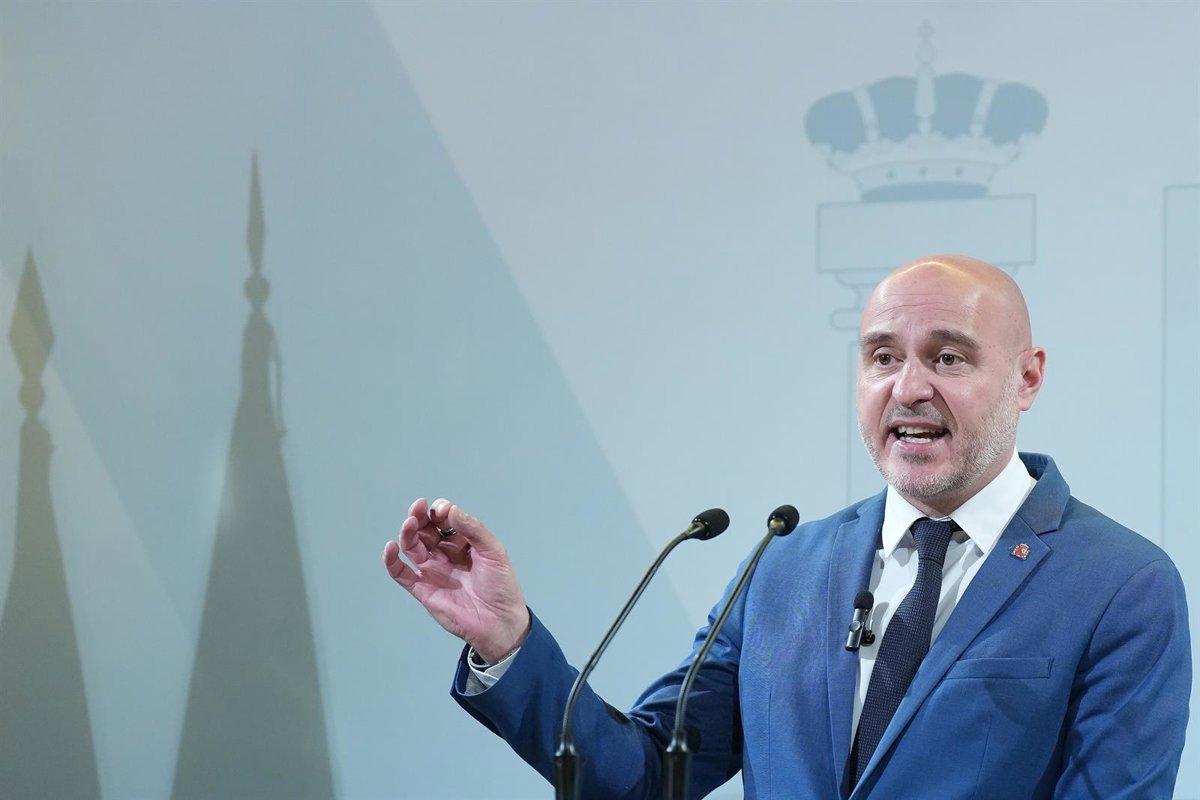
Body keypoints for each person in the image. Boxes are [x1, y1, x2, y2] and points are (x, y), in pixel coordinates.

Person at [383, 255, 1190, 798]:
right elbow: (641, 777)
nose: (908, 388)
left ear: (1027, 378)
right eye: (882, 357)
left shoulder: (1120, 584)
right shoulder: (785, 567)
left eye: (948, 358)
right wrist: (509, 642)